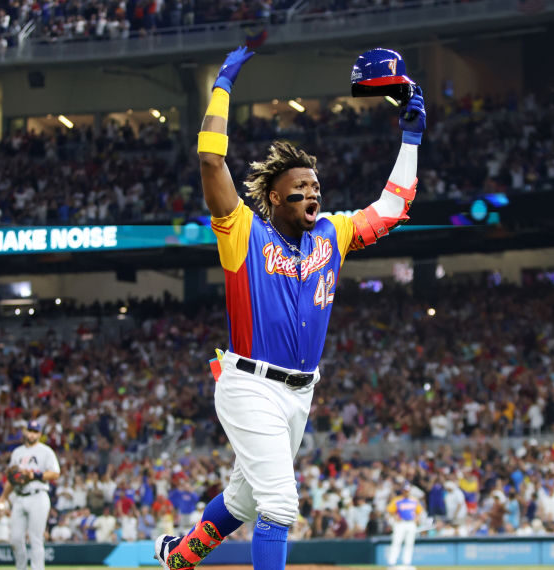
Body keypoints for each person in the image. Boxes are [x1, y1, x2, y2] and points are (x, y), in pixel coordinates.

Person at [153, 45, 426, 570]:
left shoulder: (333, 234)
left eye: (315, 186)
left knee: (242, 502)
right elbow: (211, 161)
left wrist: (410, 138)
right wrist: (223, 83)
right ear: (275, 198)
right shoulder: (242, 231)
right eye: (300, 187)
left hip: (300, 393)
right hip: (249, 384)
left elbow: (394, 207)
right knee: (279, 504)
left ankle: (179, 557)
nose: (312, 193)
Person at [3, 420, 61, 570]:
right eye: (30, 431)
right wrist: (3, 497)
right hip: (19, 496)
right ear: (25, 432)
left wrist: (34, 475)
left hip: (38, 495)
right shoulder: (17, 452)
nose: (32, 434)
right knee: (15, 539)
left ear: (40, 434)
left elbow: (55, 473)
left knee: (36, 539)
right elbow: (11, 479)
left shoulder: (46, 451)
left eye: (35, 432)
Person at [386, 484, 422, 568]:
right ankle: (392, 562)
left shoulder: (414, 500)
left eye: (408, 491)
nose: (406, 492)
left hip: (411, 523)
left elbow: (419, 511)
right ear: (402, 491)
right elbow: (389, 510)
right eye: (405, 491)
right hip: (400, 523)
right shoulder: (397, 500)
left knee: (409, 543)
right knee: (396, 542)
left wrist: (417, 518)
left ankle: (407, 563)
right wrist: (394, 516)